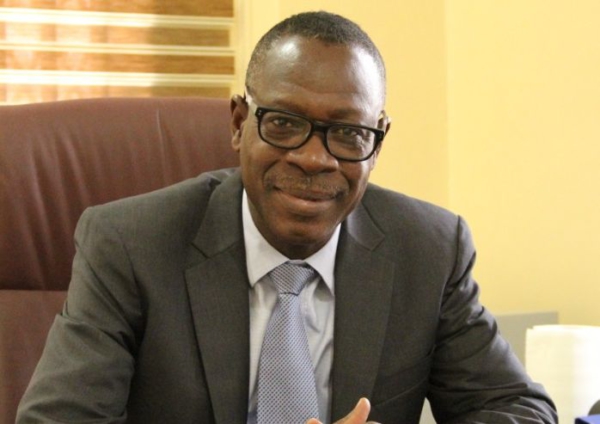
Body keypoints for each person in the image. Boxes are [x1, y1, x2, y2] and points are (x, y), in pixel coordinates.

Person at [17, 11, 557, 424]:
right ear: (239, 123)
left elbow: (520, 409)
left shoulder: (429, 249)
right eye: (283, 123)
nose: (315, 159)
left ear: (377, 143)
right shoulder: (130, 244)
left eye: (349, 133)